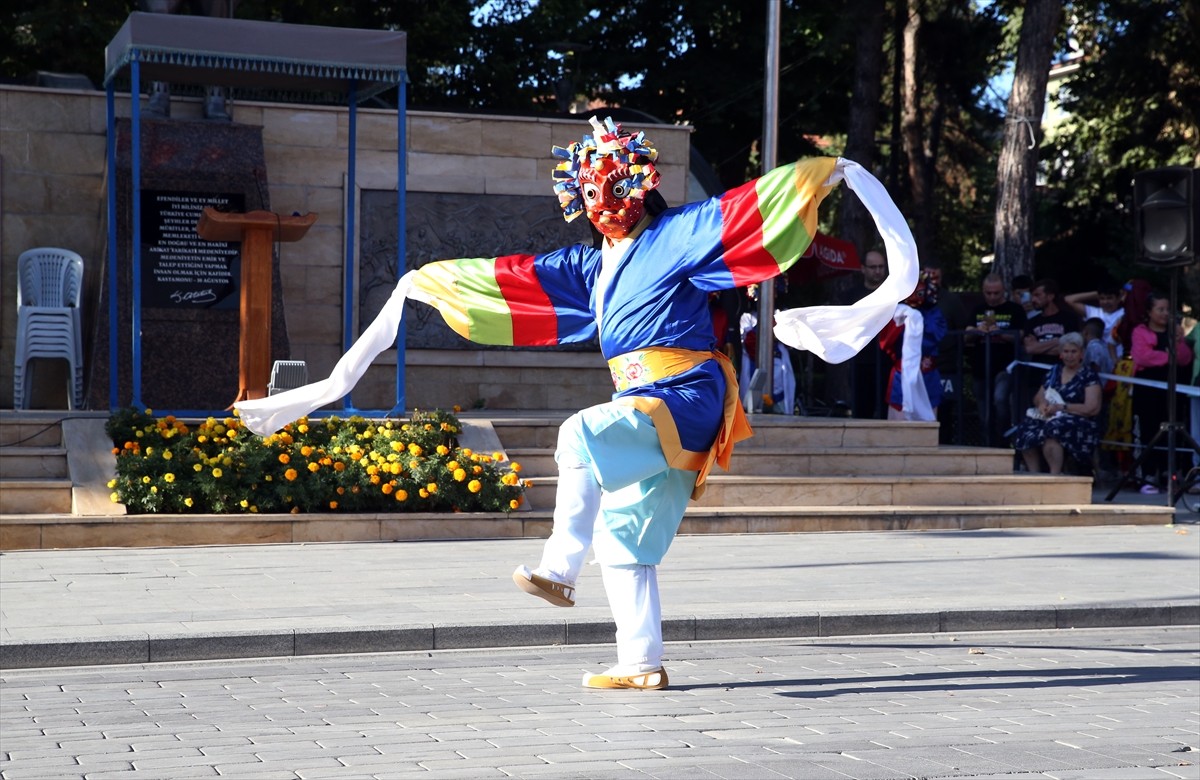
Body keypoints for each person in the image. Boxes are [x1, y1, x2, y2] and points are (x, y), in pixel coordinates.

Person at [234, 115, 920, 690]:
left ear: (642, 183)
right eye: (591, 190)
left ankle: (558, 568)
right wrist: (429, 281)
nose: (603, 200)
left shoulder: (676, 236)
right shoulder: (592, 269)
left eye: (614, 185)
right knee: (625, 542)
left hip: (683, 392)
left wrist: (821, 173)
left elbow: (741, 209)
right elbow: (514, 278)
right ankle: (640, 662)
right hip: (654, 402)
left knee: (577, 436)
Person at [1130, 291, 1195, 494]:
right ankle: (1147, 475)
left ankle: (1170, 474)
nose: (1165, 313)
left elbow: (1184, 358)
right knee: (1149, 431)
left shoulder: (1175, 333)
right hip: (1148, 393)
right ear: (1149, 312)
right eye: (1160, 309)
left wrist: (1177, 344)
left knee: (1173, 433)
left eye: (1168, 309)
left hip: (1173, 393)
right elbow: (1142, 357)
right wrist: (1168, 356)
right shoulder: (1140, 332)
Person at [1011, 332, 1102, 475]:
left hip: (1079, 419)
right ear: (1060, 354)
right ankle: (1035, 475)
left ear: (1081, 354)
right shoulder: (1053, 372)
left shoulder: (1088, 375)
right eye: (1066, 351)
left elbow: (1092, 408)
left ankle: (1054, 476)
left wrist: (1062, 407)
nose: (1069, 355)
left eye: (1073, 351)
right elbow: (1038, 397)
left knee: (1053, 429)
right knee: (1025, 429)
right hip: (1051, 415)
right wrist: (1042, 404)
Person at [965, 273, 1026, 445]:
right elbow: (966, 335)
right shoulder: (978, 310)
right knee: (984, 412)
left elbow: (1021, 335)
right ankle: (988, 445)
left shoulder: (1015, 310)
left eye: (996, 293)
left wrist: (1000, 332)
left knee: (1000, 400)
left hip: (1005, 367)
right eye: (988, 293)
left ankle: (1004, 441)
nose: (992, 297)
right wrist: (977, 331)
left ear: (1004, 291)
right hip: (980, 368)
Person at [879, 270, 946, 421]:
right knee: (897, 428)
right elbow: (886, 342)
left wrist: (916, 321)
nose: (915, 294)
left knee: (928, 425)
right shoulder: (896, 312)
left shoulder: (934, 313)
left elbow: (935, 336)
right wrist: (901, 322)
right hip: (901, 374)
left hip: (927, 374)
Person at [835, 248, 889, 418]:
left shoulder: (893, 294)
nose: (878, 271)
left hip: (887, 361)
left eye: (881, 266)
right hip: (860, 361)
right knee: (861, 410)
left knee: (886, 412)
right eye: (873, 267)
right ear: (863, 268)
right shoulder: (850, 297)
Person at [1064, 279, 1124, 357]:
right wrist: (1099, 292)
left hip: (1117, 359)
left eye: (1109, 298)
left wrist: (1118, 293)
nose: (1105, 302)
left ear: (1118, 298)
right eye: (1102, 298)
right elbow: (1069, 299)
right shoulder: (1093, 312)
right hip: (1094, 358)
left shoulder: (1124, 313)